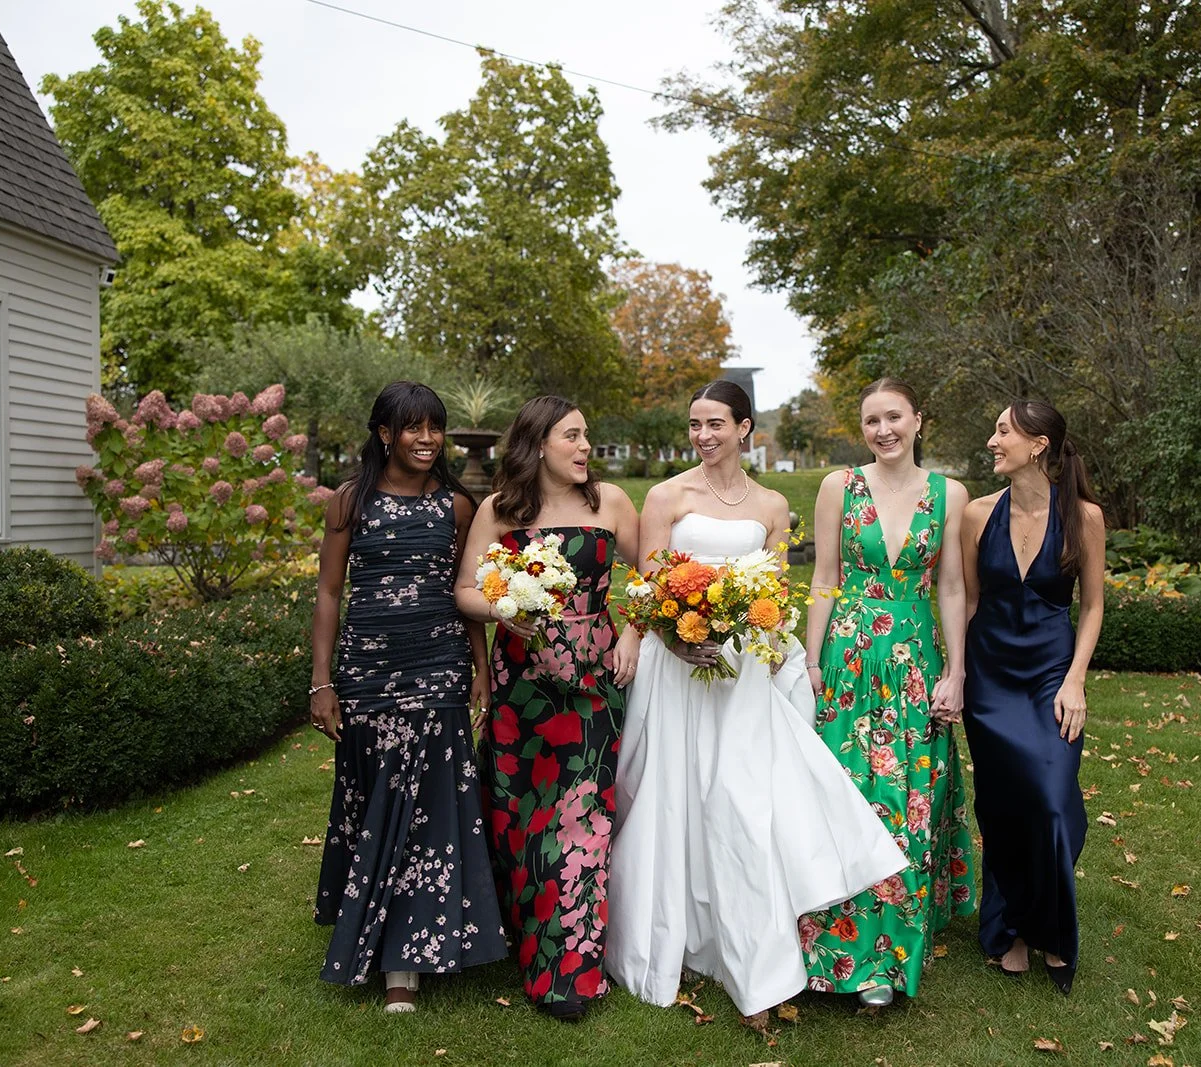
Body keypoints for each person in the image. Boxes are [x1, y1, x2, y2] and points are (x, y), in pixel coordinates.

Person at [605, 379, 906, 1023]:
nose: (703, 436)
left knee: (741, 805)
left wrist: (763, 639)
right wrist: (670, 634)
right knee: (677, 799)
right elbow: (647, 583)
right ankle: (684, 938)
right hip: (675, 670)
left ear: (745, 428)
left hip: (738, 672)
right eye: (694, 425)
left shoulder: (772, 505)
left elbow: (772, 591)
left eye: (715, 424)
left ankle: (756, 964)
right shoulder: (666, 495)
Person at [310, 381, 508, 1012]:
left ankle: (404, 964)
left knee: (432, 811)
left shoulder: (456, 506)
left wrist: (479, 667)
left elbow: (466, 593)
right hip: (369, 672)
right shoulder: (351, 502)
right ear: (384, 433)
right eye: (413, 428)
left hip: (438, 669)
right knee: (376, 803)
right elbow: (329, 595)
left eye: (435, 428)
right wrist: (322, 682)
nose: (427, 439)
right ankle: (370, 930)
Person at [455, 396, 641, 1021]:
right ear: (537, 445)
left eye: (587, 436)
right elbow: (464, 590)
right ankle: (524, 938)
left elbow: (650, 577)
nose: (586, 448)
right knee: (523, 821)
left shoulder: (610, 503)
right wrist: (508, 607)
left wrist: (634, 637)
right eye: (573, 437)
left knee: (583, 818)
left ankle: (571, 975)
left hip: (593, 681)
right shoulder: (500, 510)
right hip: (521, 685)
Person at [801, 377, 976, 1006]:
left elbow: (952, 587)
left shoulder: (949, 494)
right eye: (872, 420)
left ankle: (886, 960)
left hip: (913, 661)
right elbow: (824, 577)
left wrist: (955, 672)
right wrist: (812, 661)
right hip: (848, 659)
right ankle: (830, 945)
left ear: (918, 420)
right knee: (846, 793)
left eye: (894, 417)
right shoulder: (838, 488)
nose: (883, 430)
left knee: (905, 799)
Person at [961, 400, 1105, 995]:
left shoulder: (1084, 517)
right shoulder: (975, 514)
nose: (992, 442)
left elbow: (1092, 605)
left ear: (1038, 443)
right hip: (990, 675)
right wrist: (958, 674)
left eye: (1002, 432)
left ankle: (1048, 922)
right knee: (1001, 807)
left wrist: (1075, 679)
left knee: (1050, 800)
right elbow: (968, 602)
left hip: (1050, 670)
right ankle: (1009, 929)